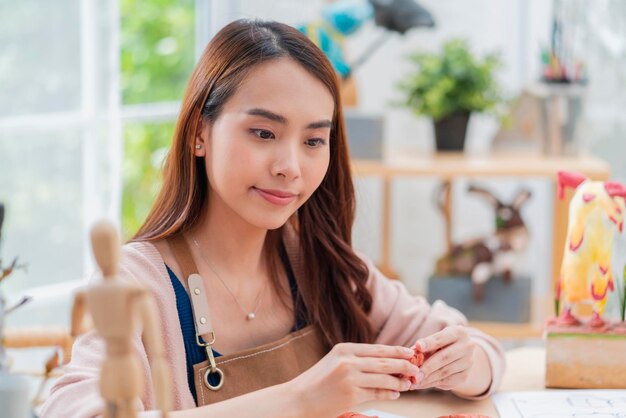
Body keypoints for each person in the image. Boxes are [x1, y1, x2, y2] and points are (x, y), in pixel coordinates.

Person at [41, 19, 504, 418]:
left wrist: (467, 364)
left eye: (313, 141)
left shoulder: (321, 263)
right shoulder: (137, 283)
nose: (290, 166)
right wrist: (301, 399)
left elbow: (478, 346)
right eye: (264, 133)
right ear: (200, 133)